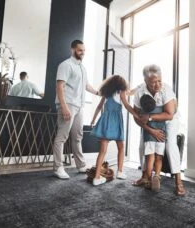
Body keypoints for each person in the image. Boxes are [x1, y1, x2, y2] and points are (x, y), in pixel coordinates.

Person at [132, 64, 186, 196]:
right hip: (150, 122)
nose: (157, 85)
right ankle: (145, 177)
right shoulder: (139, 93)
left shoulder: (166, 90)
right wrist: (150, 131)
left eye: (159, 80)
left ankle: (178, 182)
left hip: (169, 120)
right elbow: (137, 117)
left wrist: (149, 117)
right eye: (153, 82)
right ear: (145, 81)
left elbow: (169, 114)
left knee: (170, 146)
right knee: (142, 146)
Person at [53, 40, 99, 179]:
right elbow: (59, 87)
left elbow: (86, 85)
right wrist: (65, 107)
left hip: (79, 106)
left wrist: (98, 92)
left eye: (84, 50)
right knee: (62, 137)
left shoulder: (82, 68)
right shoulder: (65, 65)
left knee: (78, 136)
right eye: (80, 50)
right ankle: (58, 168)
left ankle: (81, 165)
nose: (82, 53)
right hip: (67, 105)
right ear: (72, 50)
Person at [90, 75, 140, 186]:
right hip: (116, 121)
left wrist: (93, 120)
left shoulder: (107, 93)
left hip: (106, 122)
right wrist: (136, 115)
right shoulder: (121, 91)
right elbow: (126, 105)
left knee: (102, 151)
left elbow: (99, 107)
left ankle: (96, 177)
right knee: (121, 147)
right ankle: (120, 172)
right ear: (121, 85)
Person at [139, 94, 166, 191]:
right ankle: (157, 176)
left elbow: (142, 123)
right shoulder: (161, 109)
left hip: (149, 137)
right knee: (159, 158)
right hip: (161, 136)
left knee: (150, 159)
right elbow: (168, 116)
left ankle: (149, 180)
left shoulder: (143, 112)